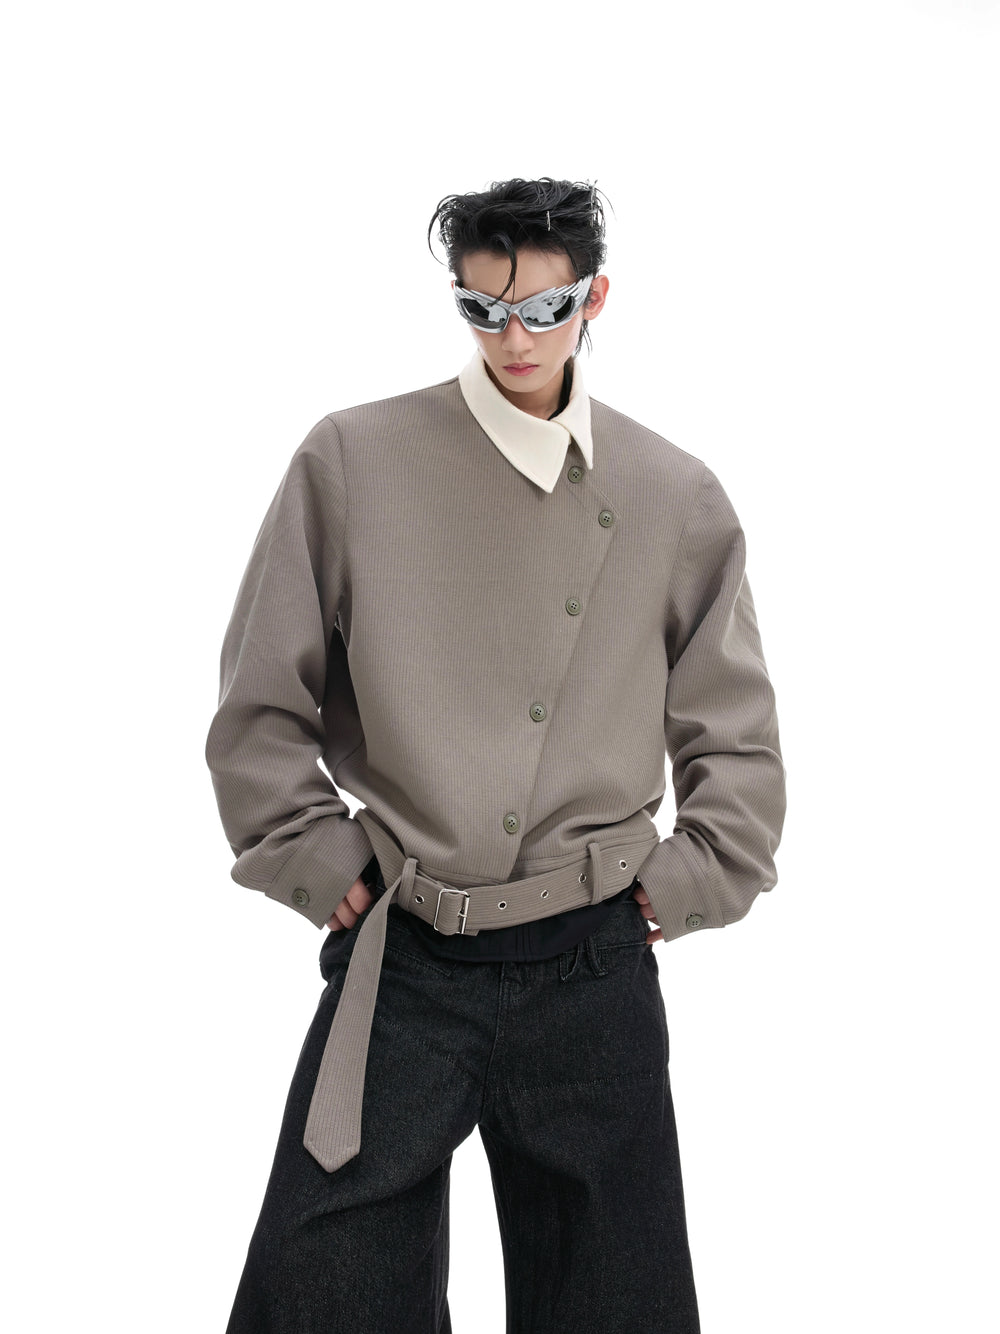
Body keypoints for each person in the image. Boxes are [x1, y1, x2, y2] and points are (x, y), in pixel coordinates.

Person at [205, 176, 786, 1333]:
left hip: (590, 963)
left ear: (594, 299)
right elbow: (259, 704)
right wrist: (315, 856)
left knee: (615, 1306)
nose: (512, 339)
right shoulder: (353, 459)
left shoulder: (670, 492)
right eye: (482, 310)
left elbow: (737, 736)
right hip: (406, 952)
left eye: (542, 309)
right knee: (321, 1292)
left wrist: (680, 882)